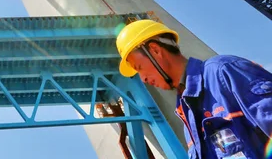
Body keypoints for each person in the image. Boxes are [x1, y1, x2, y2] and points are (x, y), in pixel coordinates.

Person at [116, 19, 272, 158]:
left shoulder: (224, 72)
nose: (143, 79)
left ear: (155, 50)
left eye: (140, 67)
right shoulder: (185, 112)